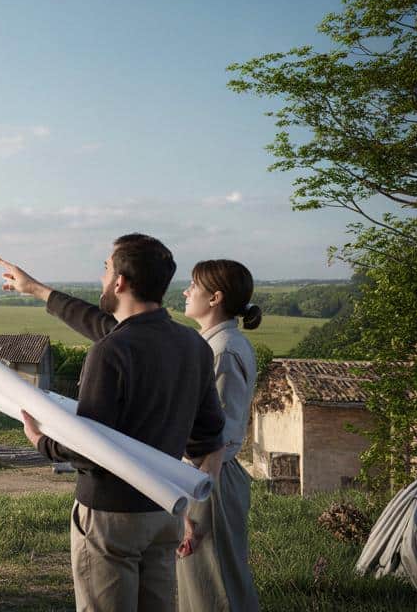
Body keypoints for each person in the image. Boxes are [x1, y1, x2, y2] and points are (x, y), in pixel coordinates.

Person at [0, 234, 225, 612]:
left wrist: (41, 440)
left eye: (106, 268)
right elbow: (209, 440)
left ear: (119, 281)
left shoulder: (111, 351)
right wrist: (192, 507)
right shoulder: (192, 345)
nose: (102, 276)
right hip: (164, 513)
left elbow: (88, 449)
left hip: (110, 517)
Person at [176, 260, 261, 612]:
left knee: (215, 588)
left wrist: (193, 503)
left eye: (193, 286)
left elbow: (219, 435)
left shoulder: (222, 350)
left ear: (215, 298)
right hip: (203, 478)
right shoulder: (214, 344)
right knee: (200, 584)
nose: (185, 292)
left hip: (210, 480)